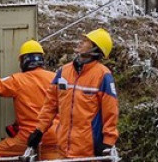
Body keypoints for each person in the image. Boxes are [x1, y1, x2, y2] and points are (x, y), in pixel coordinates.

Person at [27, 28, 119, 159]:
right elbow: (51, 104)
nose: (81, 43)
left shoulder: (103, 76)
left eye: (86, 41)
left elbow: (111, 113)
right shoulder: (63, 71)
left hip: (88, 153)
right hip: (63, 149)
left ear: (95, 49)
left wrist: (108, 142)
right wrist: (39, 130)